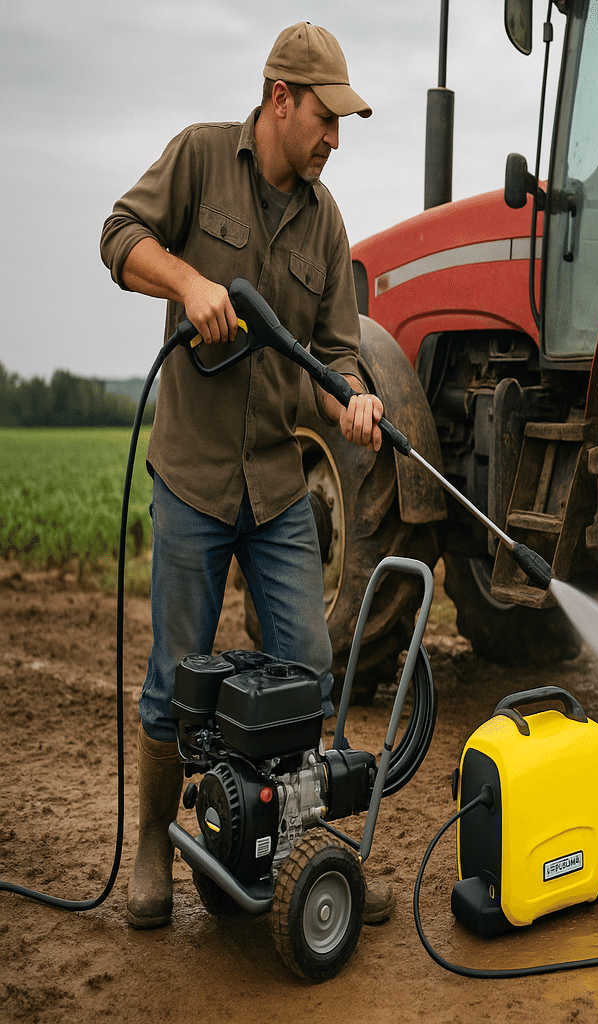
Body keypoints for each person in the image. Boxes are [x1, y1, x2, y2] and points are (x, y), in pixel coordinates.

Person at [100, 22, 392, 930]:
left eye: (342, 124)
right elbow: (118, 236)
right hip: (190, 477)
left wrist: (355, 401)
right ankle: (154, 848)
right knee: (175, 681)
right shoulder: (198, 160)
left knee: (309, 668)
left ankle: (302, 848)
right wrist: (189, 284)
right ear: (280, 99)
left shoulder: (326, 219)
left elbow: (338, 353)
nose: (334, 139)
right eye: (326, 119)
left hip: (276, 487)